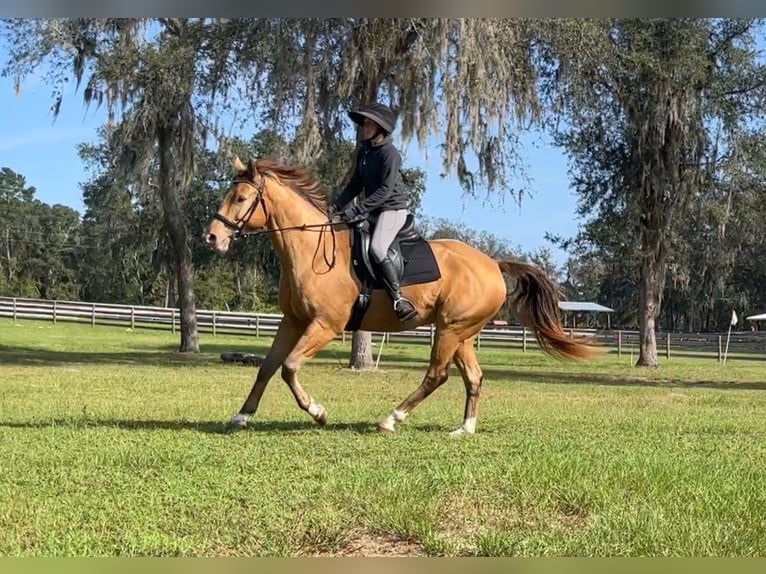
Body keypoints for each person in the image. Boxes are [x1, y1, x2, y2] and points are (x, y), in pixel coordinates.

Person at [331, 102, 418, 323]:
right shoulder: (365, 151)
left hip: (392, 209)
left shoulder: (390, 154)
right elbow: (355, 185)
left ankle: (398, 299)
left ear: (381, 127)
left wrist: (358, 210)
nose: (365, 127)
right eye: (365, 123)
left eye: (370, 123)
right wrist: (336, 207)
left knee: (378, 248)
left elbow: (385, 190)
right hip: (373, 210)